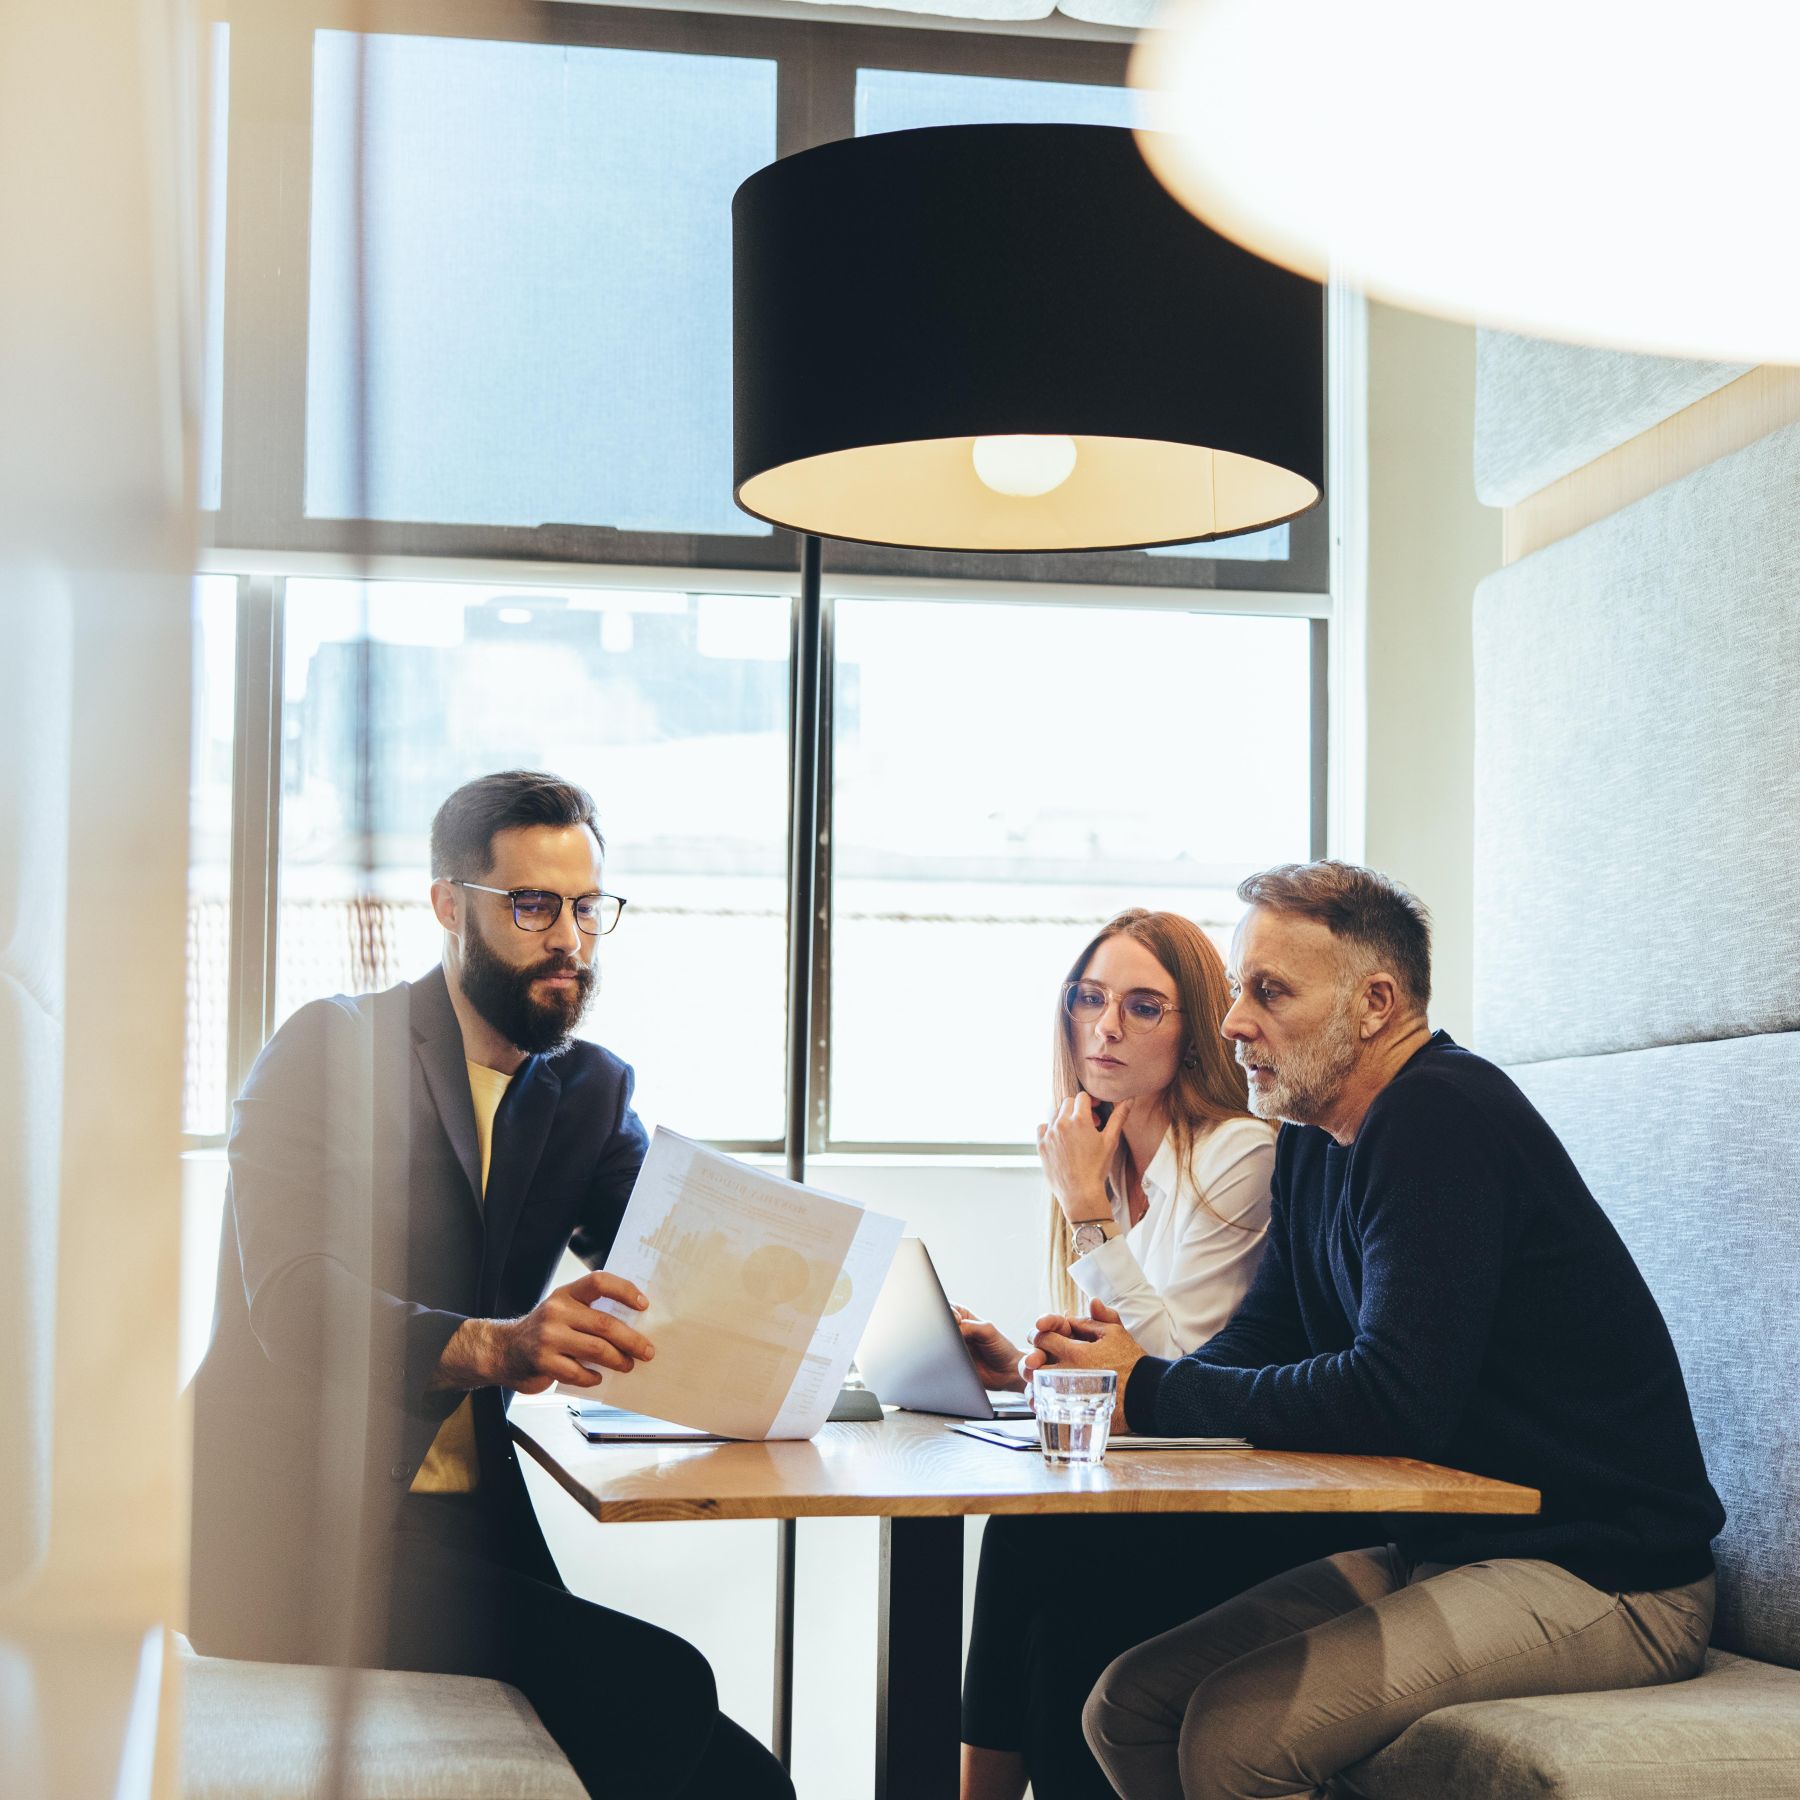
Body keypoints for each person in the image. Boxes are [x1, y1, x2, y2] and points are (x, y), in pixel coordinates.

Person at [1017, 861, 1724, 1800]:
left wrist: (1148, 1386)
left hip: (1608, 1578)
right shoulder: (1315, 1136)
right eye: (1237, 991)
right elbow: (1263, 1341)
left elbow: (1395, 1398)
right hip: (1454, 1552)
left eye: (1270, 993)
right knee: (1129, 1704)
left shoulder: (1441, 1115)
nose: (1233, 1024)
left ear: (1376, 1004)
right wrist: (1120, 1377)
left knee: (1238, 1736)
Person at [188, 770, 793, 1800]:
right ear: (447, 906)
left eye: (587, 908)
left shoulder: (589, 1090)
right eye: (532, 906)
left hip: (460, 1535)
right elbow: (291, 1299)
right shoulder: (329, 1049)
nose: (569, 939)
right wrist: (496, 1344)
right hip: (291, 1537)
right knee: (664, 1690)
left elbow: (669, 1256)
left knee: (747, 1780)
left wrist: (826, 1310)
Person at [954, 910, 1383, 1800]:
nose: (1106, 1028)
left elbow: (1179, 1367)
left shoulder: (1239, 1153)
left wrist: (1086, 1212)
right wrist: (1023, 1370)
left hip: (1249, 1492)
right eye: (1090, 999)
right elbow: (1120, 1370)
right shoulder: (1109, 1154)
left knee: (1050, 1569)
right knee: (1022, 1542)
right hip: (1169, 1469)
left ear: (1197, 1032)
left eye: (1145, 1007)